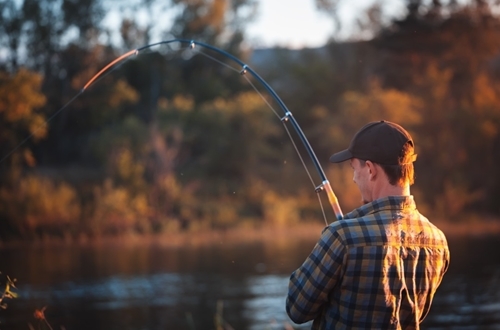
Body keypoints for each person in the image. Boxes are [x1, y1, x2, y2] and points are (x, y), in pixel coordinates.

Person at [286, 120, 450, 329]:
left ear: (371, 169)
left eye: (354, 169)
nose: (354, 178)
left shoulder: (342, 236)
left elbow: (297, 309)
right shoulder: (438, 241)